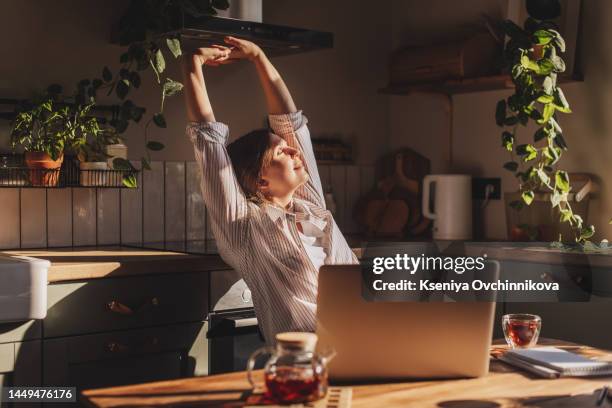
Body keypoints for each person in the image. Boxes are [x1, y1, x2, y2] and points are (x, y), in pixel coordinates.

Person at [182, 36, 358, 345]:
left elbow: (291, 124)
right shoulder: (244, 228)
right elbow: (207, 140)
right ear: (260, 182)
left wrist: (259, 57)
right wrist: (191, 63)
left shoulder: (310, 206)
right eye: (281, 153)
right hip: (305, 361)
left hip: (371, 337)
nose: (295, 152)